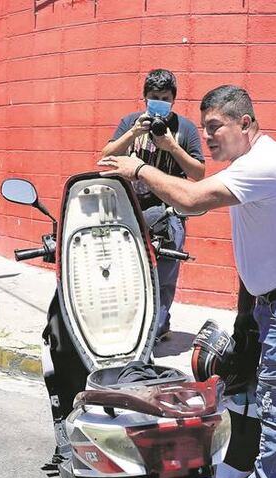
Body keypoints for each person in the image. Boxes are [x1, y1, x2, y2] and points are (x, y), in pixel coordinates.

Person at [98, 84, 276, 478]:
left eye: (214, 127)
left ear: (245, 123)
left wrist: (140, 168)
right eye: (203, 129)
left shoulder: (264, 164)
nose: (208, 137)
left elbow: (191, 199)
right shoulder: (256, 159)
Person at [100, 69, 204, 340]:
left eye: (164, 98)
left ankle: (157, 328)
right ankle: (129, 326)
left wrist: (172, 147)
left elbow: (199, 173)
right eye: (154, 97)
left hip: (169, 214)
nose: (159, 102)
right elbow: (105, 156)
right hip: (130, 211)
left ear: (174, 99)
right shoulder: (131, 122)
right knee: (125, 270)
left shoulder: (186, 129)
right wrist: (133, 133)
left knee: (165, 277)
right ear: (145, 98)